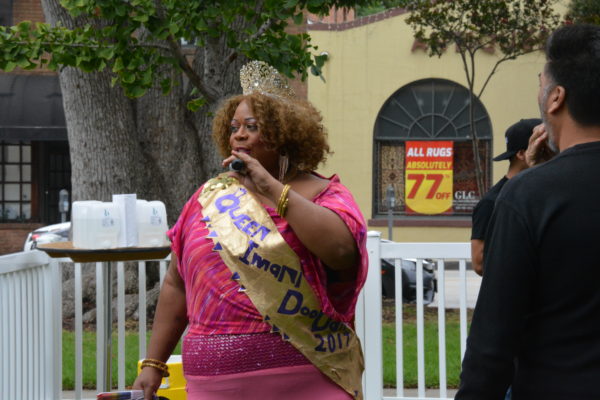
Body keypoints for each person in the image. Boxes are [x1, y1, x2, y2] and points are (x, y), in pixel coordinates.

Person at [133, 61, 368, 400]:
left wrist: (271, 188)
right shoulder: (208, 198)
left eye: (251, 126)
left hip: (309, 378)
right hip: (214, 383)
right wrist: (153, 364)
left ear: (285, 135)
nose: (238, 135)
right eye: (233, 127)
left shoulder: (324, 195)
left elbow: (342, 251)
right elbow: (176, 283)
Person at [456, 23, 600, 400]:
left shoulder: (528, 196)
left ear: (556, 97)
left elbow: (493, 342)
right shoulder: (529, 194)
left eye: (540, 83)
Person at [470, 118, 541, 276]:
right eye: (542, 148)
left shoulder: (540, 192)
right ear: (522, 154)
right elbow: (479, 262)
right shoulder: (491, 202)